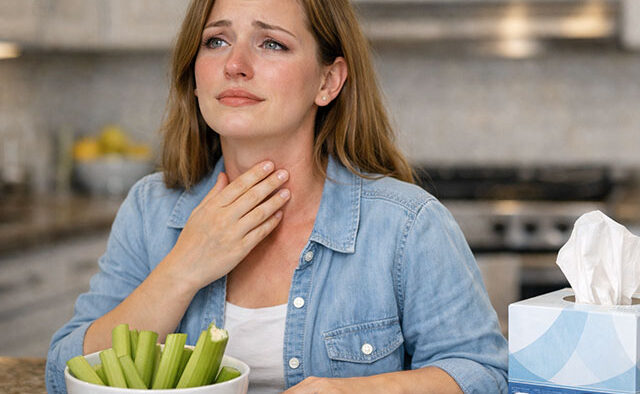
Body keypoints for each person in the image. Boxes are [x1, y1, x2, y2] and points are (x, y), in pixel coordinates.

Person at [46, 0, 508, 392]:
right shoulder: (150, 209)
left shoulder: (408, 225)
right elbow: (62, 369)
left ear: (328, 82)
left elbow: (483, 374)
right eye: (216, 41)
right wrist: (183, 269)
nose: (235, 64)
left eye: (272, 44)